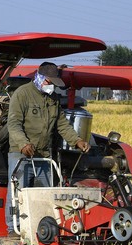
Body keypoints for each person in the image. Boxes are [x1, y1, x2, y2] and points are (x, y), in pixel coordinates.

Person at [6, 61, 88, 230]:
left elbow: (62, 125)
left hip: (43, 154)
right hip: (21, 154)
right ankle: (14, 228)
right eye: (49, 83)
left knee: (45, 194)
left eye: (54, 84)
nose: (52, 87)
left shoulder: (53, 99)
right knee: (18, 192)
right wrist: (23, 144)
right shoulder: (22, 94)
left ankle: (41, 228)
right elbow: (13, 124)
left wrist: (77, 140)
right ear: (39, 77)